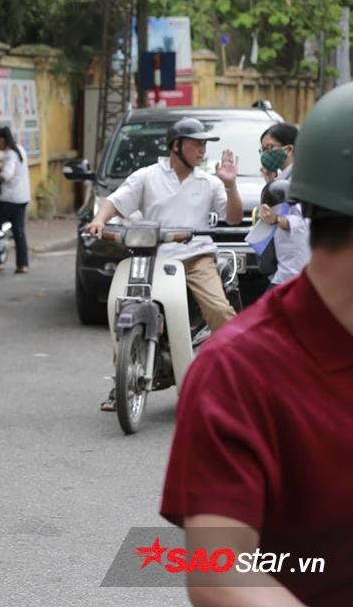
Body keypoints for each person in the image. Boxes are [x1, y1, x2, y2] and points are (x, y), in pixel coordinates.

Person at [160, 83, 353, 606]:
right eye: (192, 143)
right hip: (173, 258)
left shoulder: (212, 182)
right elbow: (218, 574)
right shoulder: (238, 370)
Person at [86, 117, 243, 412]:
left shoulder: (209, 182)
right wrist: (99, 220)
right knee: (124, 307)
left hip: (196, 259)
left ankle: (234, 378)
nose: (202, 150)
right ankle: (123, 379)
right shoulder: (147, 176)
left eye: (204, 144)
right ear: (176, 145)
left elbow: (233, 217)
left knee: (220, 311)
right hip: (152, 259)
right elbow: (116, 202)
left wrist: (231, 186)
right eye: (196, 143)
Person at [256, 122, 309, 288]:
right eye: (262, 150)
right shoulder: (281, 180)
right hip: (284, 266)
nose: (265, 154)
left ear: (289, 149)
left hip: (296, 268)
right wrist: (270, 183)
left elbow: (305, 220)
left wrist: (277, 219)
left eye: (269, 147)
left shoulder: (302, 180)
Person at [0, 126, 30, 275]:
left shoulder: (10, 154)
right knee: (19, 231)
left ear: (2, 140)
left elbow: (6, 175)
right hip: (22, 197)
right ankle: (22, 265)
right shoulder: (19, 150)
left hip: (9, 198)